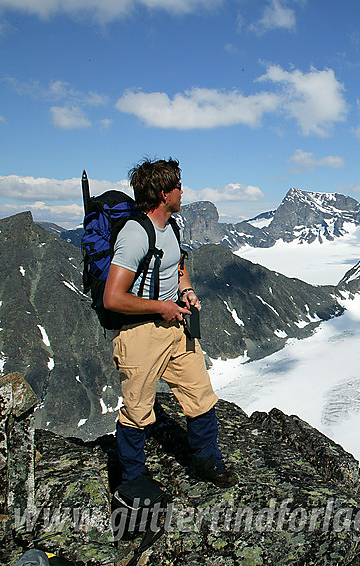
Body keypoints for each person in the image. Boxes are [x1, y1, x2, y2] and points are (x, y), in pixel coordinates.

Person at [103, 157, 237, 488]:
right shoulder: (136, 234)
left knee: (200, 394)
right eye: (178, 186)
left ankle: (207, 460)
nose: (182, 191)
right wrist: (160, 307)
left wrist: (186, 290)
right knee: (137, 411)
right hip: (141, 333)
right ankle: (133, 481)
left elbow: (177, 266)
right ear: (165, 194)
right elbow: (113, 298)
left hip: (175, 325)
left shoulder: (171, 227)